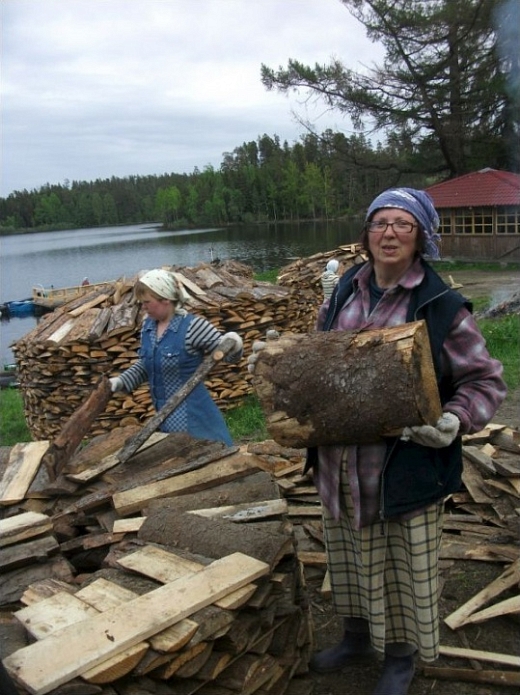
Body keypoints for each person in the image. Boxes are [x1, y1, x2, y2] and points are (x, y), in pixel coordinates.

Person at [249, 187, 507, 695]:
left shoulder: (440, 305)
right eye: (379, 223)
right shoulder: (345, 289)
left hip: (402, 471)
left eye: (403, 224)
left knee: (402, 568)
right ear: (366, 234)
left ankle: (401, 657)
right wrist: (280, 363)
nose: (389, 233)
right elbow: (322, 359)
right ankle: (356, 638)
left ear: (421, 236)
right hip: (339, 464)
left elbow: (486, 381)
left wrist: (455, 419)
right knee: (348, 557)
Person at [109, 268, 243, 446]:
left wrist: (235, 344)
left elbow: (227, 356)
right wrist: (121, 381)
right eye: (141, 302)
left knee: (208, 458)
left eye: (147, 302)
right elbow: (147, 364)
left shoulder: (193, 327)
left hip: (196, 419)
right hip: (165, 420)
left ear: (165, 299)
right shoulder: (148, 328)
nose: (143, 307)